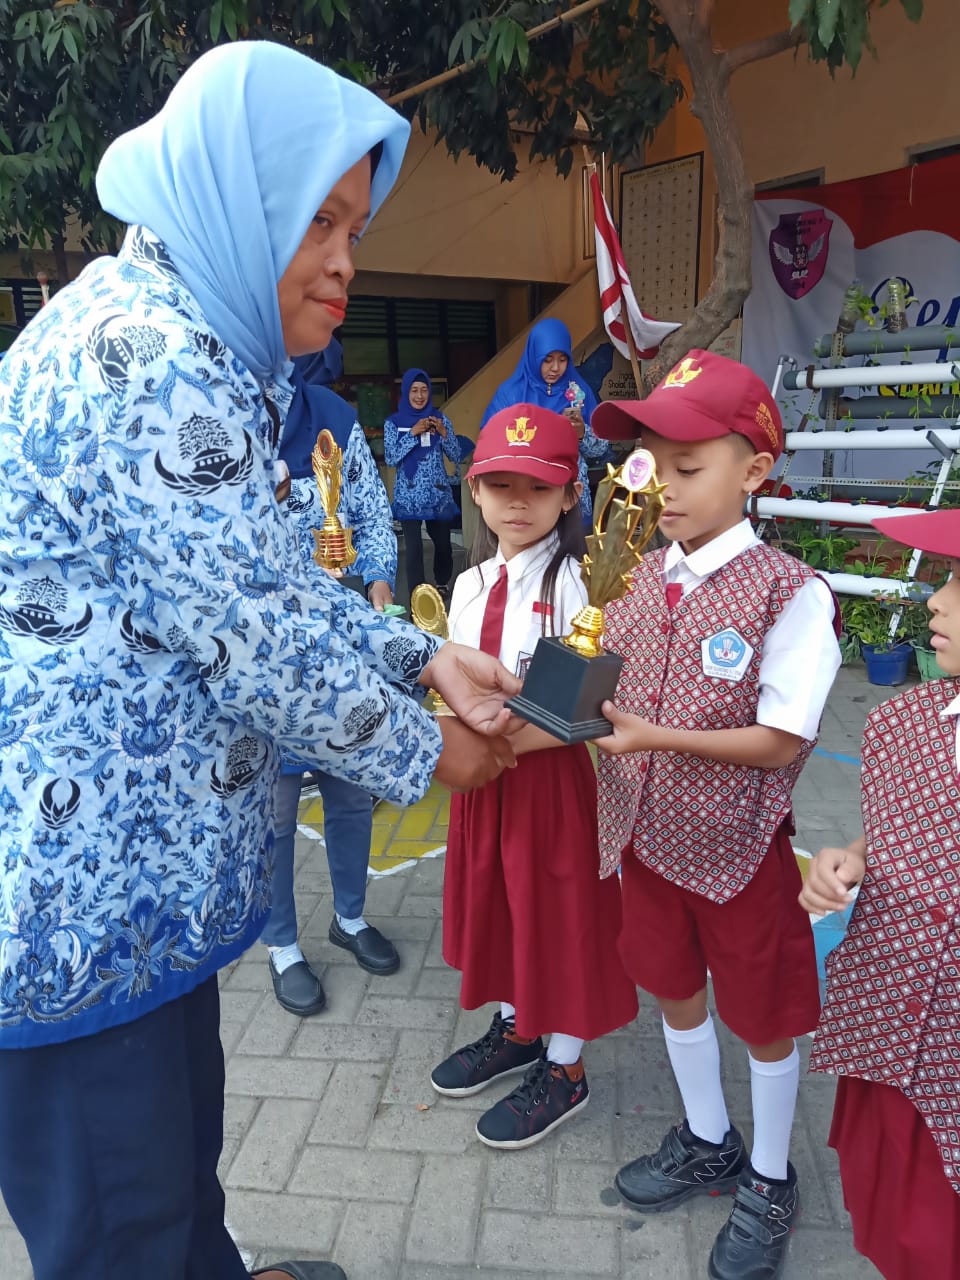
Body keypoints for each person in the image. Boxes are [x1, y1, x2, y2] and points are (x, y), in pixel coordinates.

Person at [0, 44, 522, 1280]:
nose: (345, 262)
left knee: (173, 1176)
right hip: (77, 902)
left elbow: (264, 580)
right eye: (317, 221)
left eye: (357, 228)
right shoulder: (154, 360)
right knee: (124, 1227)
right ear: (237, 201)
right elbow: (258, 637)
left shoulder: (177, 332)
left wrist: (421, 654)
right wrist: (430, 749)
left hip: (132, 883)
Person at [590, 351, 841, 1280]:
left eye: (689, 467)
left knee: (763, 1014)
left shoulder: (790, 591)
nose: (664, 486)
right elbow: (592, 682)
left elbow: (780, 741)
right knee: (673, 988)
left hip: (737, 852)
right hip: (642, 839)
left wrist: (652, 736)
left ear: (755, 471)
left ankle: (771, 1176)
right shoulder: (632, 574)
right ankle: (708, 1136)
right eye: (653, 465)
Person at [430, 402, 639, 1149]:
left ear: (571, 495)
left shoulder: (587, 585)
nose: (518, 503)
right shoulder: (469, 582)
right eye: (501, 485)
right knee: (501, 904)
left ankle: (565, 1065)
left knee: (558, 914)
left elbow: (594, 704)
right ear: (475, 490)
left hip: (548, 782)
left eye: (539, 487)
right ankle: (520, 1027)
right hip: (484, 780)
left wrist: (502, 744)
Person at [801, 507, 960, 1280]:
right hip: (893, 1020)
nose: (938, 600)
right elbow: (909, 829)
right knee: (898, 1215)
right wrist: (854, 859)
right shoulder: (911, 722)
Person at [265, 349, 401, 1017]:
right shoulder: (228, 414)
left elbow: (370, 516)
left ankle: (349, 917)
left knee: (350, 794)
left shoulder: (335, 419)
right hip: (265, 653)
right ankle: (281, 945)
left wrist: (377, 583)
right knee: (275, 811)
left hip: (340, 646)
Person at [480, 317, 610, 526]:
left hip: (570, 498)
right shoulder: (511, 394)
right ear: (534, 355)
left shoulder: (578, 392)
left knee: (572, 547)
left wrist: (582, 434)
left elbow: (601, 449)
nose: (555, 368)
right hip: (525, 498)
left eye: (562, 359)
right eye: (547, 359)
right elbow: (489, 444)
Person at [384, 369, 464, 600]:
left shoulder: (440, 419)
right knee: (414, 550)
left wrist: (444, 433)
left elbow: (456, 455)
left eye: (424, 390)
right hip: (408, 497)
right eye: (414, 390)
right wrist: (412, 434)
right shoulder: (394, 423)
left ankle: (442, 582)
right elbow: (391, 458)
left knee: (443, 545)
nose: (419, 396)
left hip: (437, 495)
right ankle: (417, 596)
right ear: (406, 392)